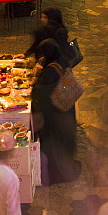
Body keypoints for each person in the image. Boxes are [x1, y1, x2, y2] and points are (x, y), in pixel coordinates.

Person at [31, 40, 80, 185]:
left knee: (55, 146)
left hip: (55, 114)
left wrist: (35, 86)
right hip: (65, 109)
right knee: (64, 142)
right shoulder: (61, 60)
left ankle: (58, 173)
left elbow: (41, 93)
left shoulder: (50, 71)